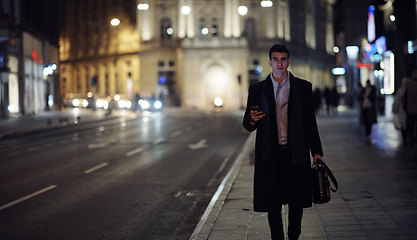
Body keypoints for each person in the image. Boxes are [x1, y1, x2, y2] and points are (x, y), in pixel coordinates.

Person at [243, 44, 323, 240]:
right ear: (270, 62)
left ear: (288, 61)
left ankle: (294, 236)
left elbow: (310, 122)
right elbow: (247, 123)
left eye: (283, 59)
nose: (279, 63)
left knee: (296, 201)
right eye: (276, 59)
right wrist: (252, 119)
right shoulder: (257, 89)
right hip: (270, 154)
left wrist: (317, 152)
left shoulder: (303, 88)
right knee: (273, 202)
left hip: (295, 152)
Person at [403, 67, 417, 157]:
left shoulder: (409, 84)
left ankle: (413, 146)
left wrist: (406, 109)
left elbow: (404, 98)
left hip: (411, 111)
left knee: (410, 130)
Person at [392, 77, 409, 146]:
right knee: (407, 125)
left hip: (402, 110)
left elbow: (397, 101)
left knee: (403, 126)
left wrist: (395, 109)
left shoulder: (400, 90)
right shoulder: (407, 90)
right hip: (407, 110)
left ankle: (405, 139)